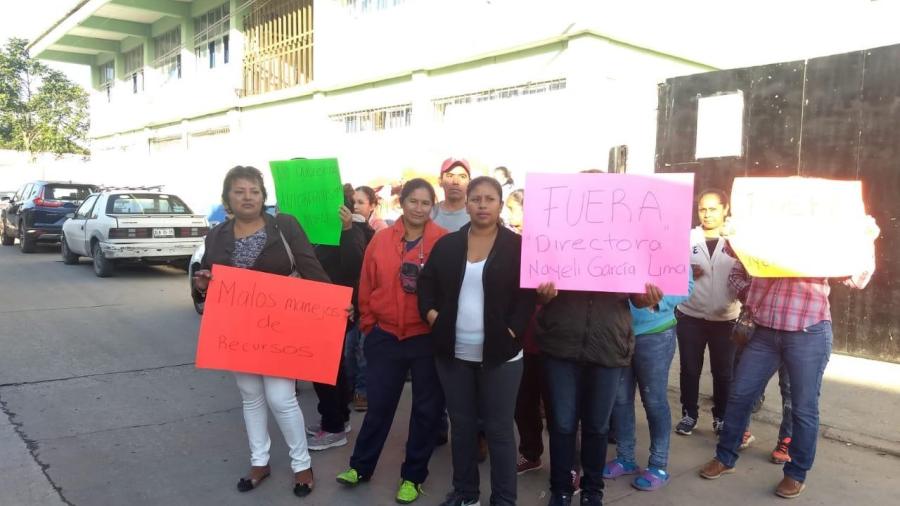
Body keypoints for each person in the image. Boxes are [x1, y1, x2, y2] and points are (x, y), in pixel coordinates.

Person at [699, 219, 878, 498]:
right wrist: (735, 234)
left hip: (808, 331)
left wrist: (866, 239)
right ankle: (724, 457)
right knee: (740, 396)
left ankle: (796, 473)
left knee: (802, 408)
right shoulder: (767, 230)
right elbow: (737, 260)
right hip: (764, 331)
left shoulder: (825, 237)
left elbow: (858, 279)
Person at [194, 166, 329, 498]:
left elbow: (308, 264)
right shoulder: (217, 235)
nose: (247, 197)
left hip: (279, 328)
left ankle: (302, 465)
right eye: (239, 191)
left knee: (282, 398)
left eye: (253, 190)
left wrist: (332, 302)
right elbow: (211, 279)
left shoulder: (284, 225)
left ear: (263, 196)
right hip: (239, 331)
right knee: (250, 396)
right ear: (227, 198)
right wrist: (203, 283)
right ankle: (260, 461)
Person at [418, 176, 535, 506]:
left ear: (500, 204)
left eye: (490, 199)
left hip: (501, 356)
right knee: (463, 427)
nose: (482, 205)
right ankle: (466, 494)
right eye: (476, 199)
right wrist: (432, 316)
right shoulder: (449, 245)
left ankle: (504, 499)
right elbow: (426, 287)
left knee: (498, 431)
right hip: (454, 354)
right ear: (466, 204)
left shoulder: (517, 246)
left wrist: (512, 332)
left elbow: (527, 299)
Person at [335, 178, 447, 505]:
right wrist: (369, 323)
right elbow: (366, 283)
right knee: (379, 407)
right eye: (413, 201)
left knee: (426, 412)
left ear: (432, 207)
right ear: (402, 203)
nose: (418, 208)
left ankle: (413, 476)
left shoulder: (443, 242)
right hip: (384, 336)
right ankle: (360, 466)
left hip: (425, 339)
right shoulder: (381, 240)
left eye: (426, 203)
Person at [536, 280, 663, 506]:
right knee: (562, 424)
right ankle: (561, 490)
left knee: (597, 425)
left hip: (609, 344)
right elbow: (538, 290)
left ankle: (592, 491)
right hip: (561, 342)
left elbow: (637, 297)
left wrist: (647, 298)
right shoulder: (557, 242)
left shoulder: (630, 245)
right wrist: (544, 295)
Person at [603, 275, 693, 492]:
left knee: (654, 401)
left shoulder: (668, 241)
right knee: (620, 399)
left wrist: (658, 301)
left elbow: (686, 284)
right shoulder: (613, 242)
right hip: (617, 332)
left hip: (656, 333)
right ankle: (625, 458)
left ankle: (658, 465)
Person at [674, 189, 741, 437]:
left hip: (726, 317)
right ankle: (689, 414)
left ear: (725, 209)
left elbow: (748, 272)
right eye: (703, 209)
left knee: (724, 371)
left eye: (713, 209)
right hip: (690, 315)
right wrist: (684, 271)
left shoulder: (737, 239)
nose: (707, 214)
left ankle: (721, 416)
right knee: (690, 368)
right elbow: (667, 269)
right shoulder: (687, 237)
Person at [305, 193, 369, 451]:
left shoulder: (352, 227)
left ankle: (333, 428)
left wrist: (347, 228)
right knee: (330, 366)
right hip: (310, 306)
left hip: (337, 307)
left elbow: (355, 267)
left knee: (322, 367)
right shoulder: (300, 228)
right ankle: (337, 418)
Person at [432, 157, 472, 232]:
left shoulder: (477, 216)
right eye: (450, 176)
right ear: (440, 181)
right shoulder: (429, 214)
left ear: (470, 183)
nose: (456, 181)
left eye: (462, 176)